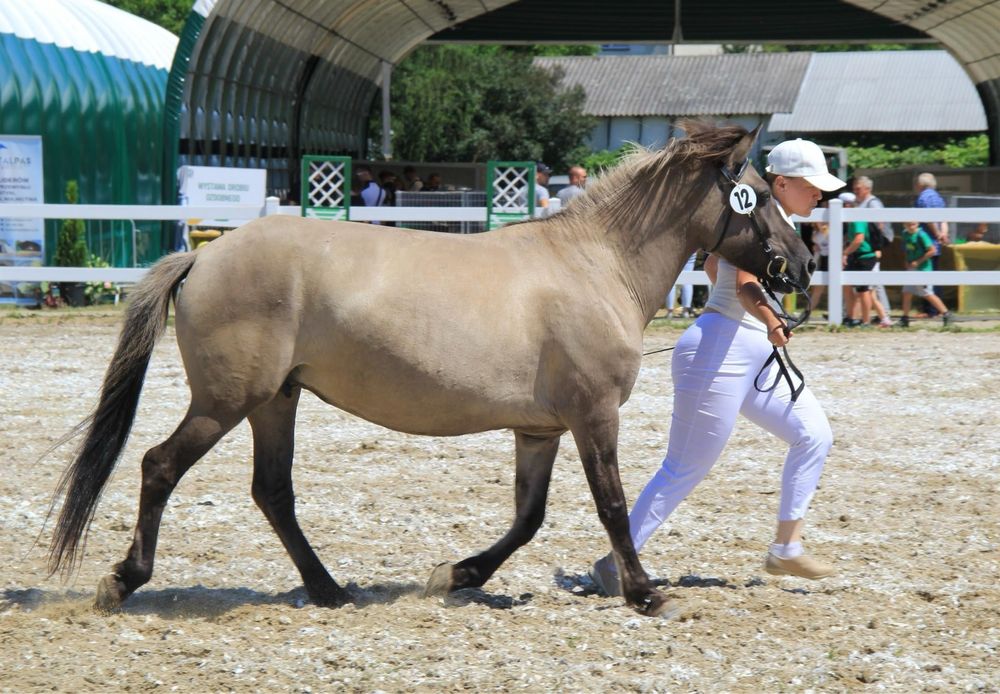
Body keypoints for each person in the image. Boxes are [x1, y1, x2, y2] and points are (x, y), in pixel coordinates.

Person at [589, 138, 843, 597]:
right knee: (684, 466)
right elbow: (743, 283)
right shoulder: (754, 225)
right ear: (781, 183)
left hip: (746, 349)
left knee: (814, 434)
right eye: (812, 187)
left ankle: (786, 548)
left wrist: (758, 317)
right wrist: (769, 318)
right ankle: (616, 562)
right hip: (719, 350)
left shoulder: (772, 223)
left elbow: (711, 265)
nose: (819, 196)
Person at [852, 176, 892, 326]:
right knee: (872, 282)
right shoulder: (861, 203)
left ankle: (885, 313)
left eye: (858, 189)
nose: (855, 191)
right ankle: (880, 313)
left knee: (874, 282)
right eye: (855, 188)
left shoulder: (872, 203)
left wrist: (877, 247)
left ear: (867, 189)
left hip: (873, 246)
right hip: (868, 246)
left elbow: (879, 226)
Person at [898, 221, 952, 327]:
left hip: (923, 268)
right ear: (904, 224)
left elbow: (932, 250)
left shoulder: (921, 235)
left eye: (913, 224)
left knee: (926, 293)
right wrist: (907, 261)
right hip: (912, 268)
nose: (910, 226)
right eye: (908, 224)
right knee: (906, 292)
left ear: (917, 224)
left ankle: (946, 314)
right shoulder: (905, 234)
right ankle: (905, 318)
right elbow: (907, 250)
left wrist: (918, 261)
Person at [914, 172, 948, 315]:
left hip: (926, 241)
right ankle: (938, 308)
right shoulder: (938, 198)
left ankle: (930, 310)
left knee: (925, 275)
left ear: (921, 184)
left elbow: (928, 219)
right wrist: (943, 234)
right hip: (937, 243)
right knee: (935, 273)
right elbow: (944, 218)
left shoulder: (923, 197)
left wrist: (936, 233)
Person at [665, 253, 697, 319]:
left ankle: (669, 312)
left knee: (671, 281)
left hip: (674, 249)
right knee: (687, 281)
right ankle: (685, 312)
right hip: (692, 249)